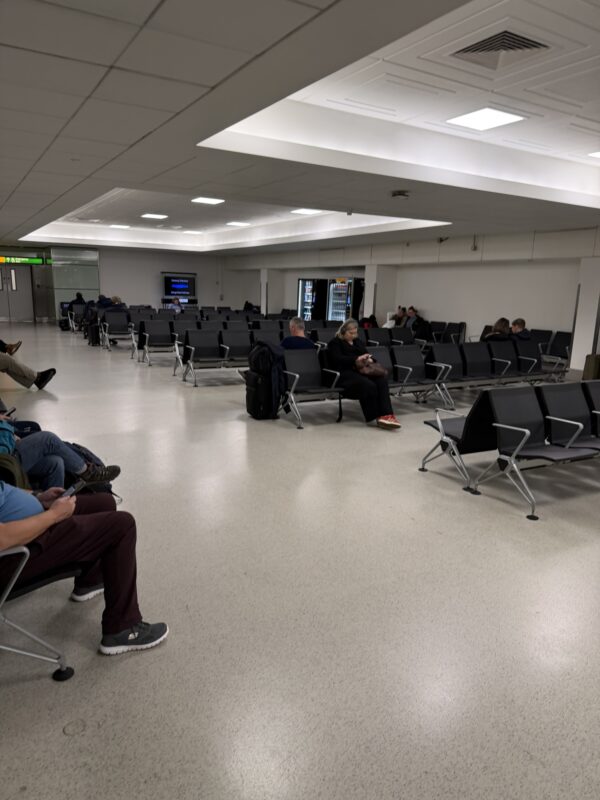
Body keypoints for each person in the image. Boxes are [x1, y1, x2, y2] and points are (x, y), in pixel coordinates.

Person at [0, 485, 168, 655]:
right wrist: (53, 515)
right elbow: (2, 539)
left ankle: (90, 581)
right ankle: (122, 628)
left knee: (103, 502)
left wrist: (39, 496)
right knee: (122, 525)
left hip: (27, 527)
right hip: (16, 552)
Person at [325, 319, 401, 429]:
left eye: (355, 332)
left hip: (360, 370)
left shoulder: (357, 342)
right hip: (344, 372)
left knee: (381, 381)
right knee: (368, 384)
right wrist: (356, 359)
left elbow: (367, 354)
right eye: (351, 333)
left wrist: (370, 360)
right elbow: (337, 359)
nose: (353, 335)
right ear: (343, 332)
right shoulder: (335, 342)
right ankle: (377, 416)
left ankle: (387, 414)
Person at [11, 425, 121, 490]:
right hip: (5, 461)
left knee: (56, 462)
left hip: (8, 449)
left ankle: (54, 506)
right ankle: (88, 473)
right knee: (48, 439)